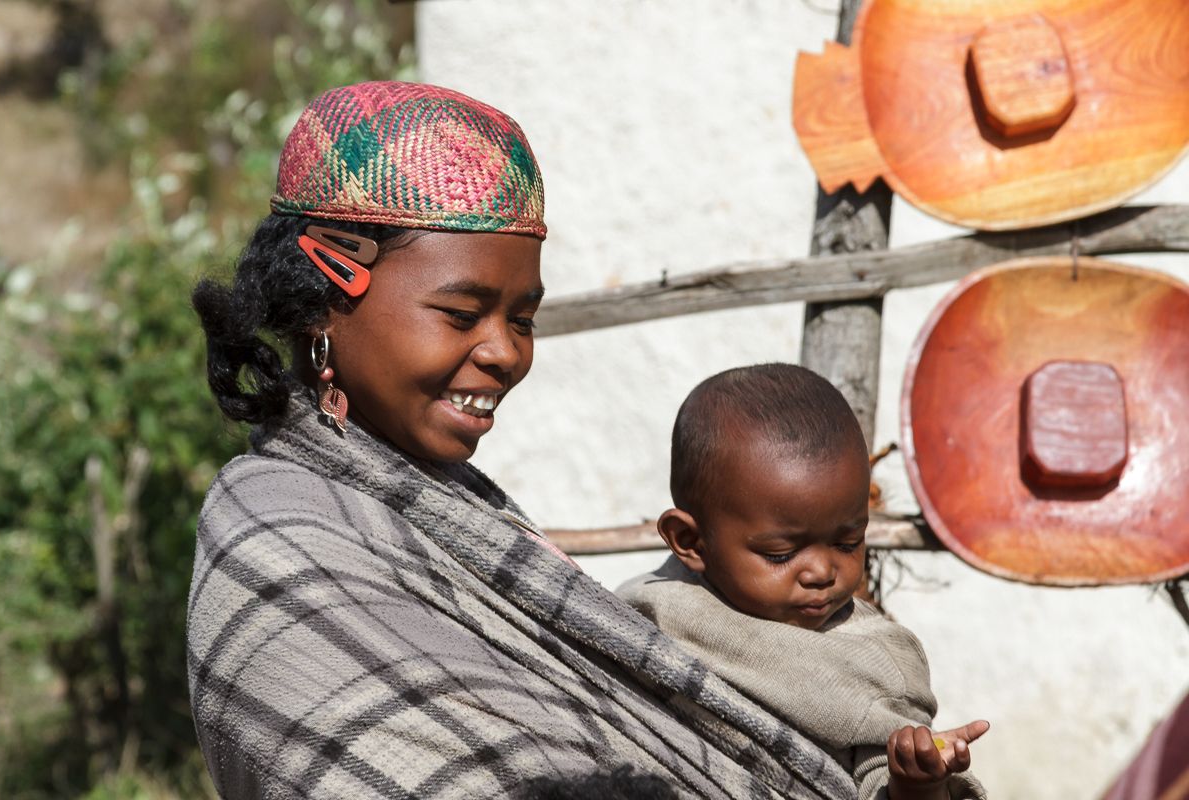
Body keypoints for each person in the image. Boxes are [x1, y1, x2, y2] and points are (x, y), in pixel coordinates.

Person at [187, 81, 858, 799]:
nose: (505, 352)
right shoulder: (278, 534)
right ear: (324, 300)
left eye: (523, 320)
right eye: (460, 314)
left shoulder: (452, 507)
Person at [616, 364, 990, 800]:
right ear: (690, 541)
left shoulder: (874, 662)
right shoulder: (645, 608)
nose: (821, 573)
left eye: (848, 543)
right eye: (780, 554)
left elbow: (878, 779)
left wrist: (916, 782)